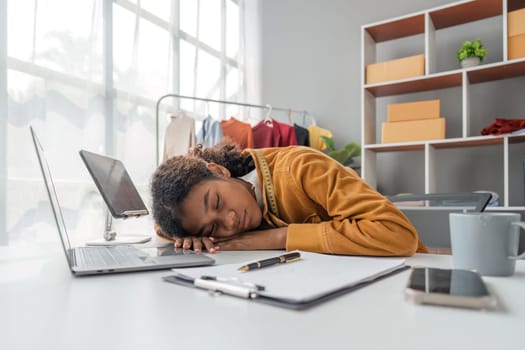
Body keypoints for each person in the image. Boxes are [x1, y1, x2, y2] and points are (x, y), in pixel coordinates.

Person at [151, 142, 428, 256]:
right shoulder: (203, 214)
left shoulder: (299, 168)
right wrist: (190, 238)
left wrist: (276, 238)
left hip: (406, 278)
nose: (231, 222)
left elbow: (399, 235)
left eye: (218, 203)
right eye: (212, 228)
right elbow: (161, 228)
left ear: (218, 170)